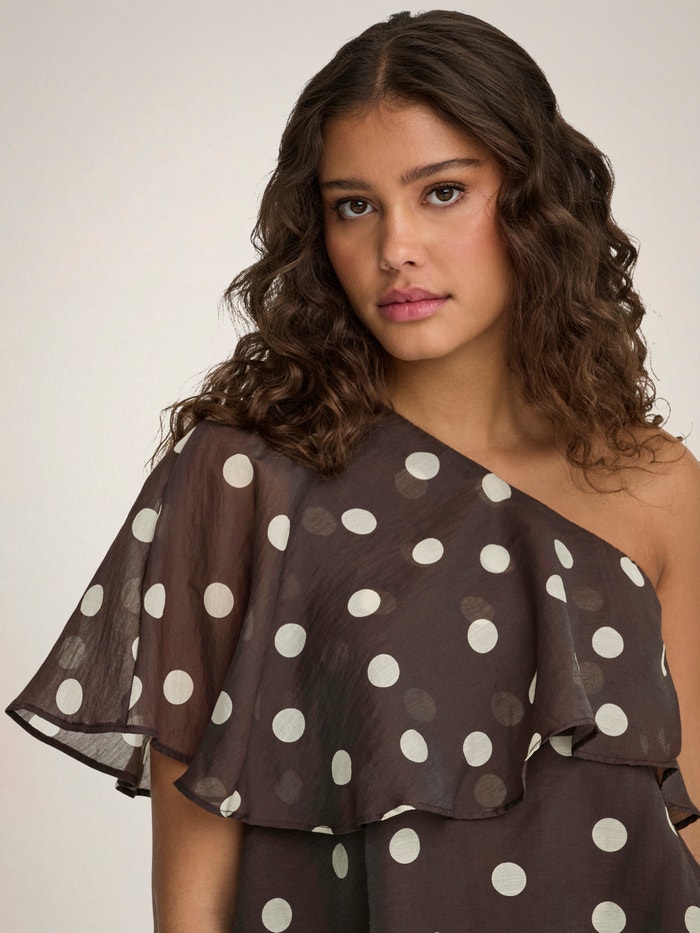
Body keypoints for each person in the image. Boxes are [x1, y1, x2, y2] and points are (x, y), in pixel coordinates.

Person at [6, 9, 700, 931]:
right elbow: (192, 899)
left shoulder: (656, 483)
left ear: (536, 201)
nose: (395, 247)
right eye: (355, 205)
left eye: (443, 192)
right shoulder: (242, 475)